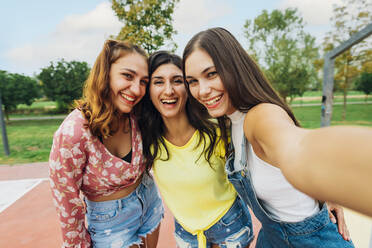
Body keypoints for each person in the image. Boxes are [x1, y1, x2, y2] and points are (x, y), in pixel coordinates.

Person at [182, 27, 362, 247]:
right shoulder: (232, 123)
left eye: (212, 74)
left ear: (234, 68)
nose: (202, 90)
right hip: (271, 238)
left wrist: (330, 183)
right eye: (192, 81)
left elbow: (298, 147)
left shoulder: (261, 116)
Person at [49, 40, 164, 248]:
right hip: (110, 225)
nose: (137, 89)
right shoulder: (73, 132)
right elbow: (67, 205)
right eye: (127, 76)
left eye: (143, 81)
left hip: (149, 202)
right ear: (105, 73)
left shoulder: (138, 114)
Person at [137, 51, 253, 248]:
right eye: (158, 82)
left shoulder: (215, 130)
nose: (168, 90)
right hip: (187, 232)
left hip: (230, 225)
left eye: (177, 81)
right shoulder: (147, 139)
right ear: (148, 90)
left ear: (189, 87)